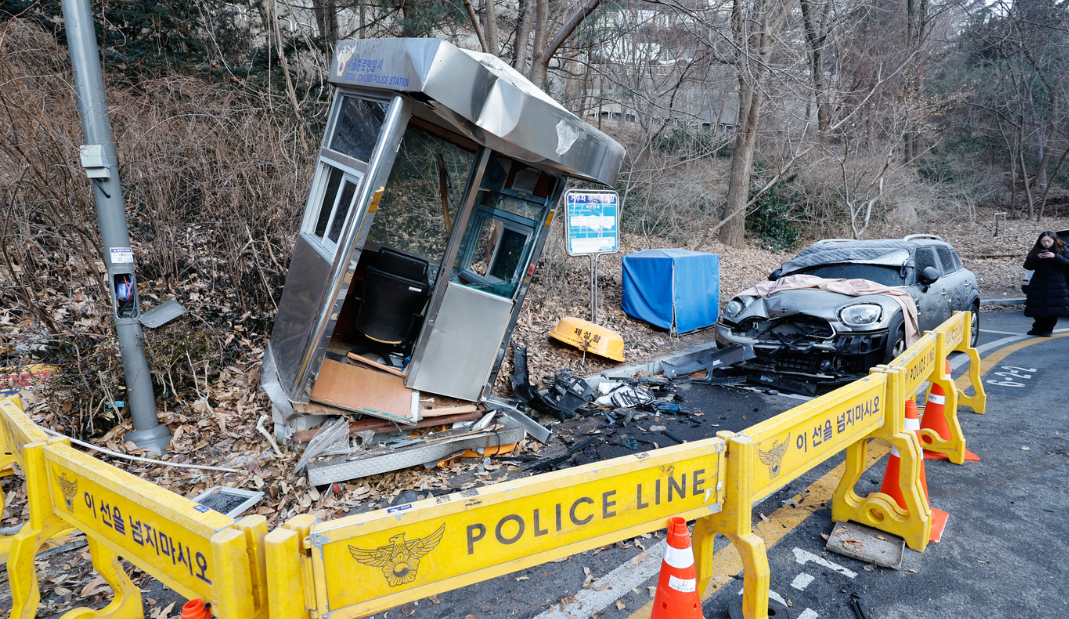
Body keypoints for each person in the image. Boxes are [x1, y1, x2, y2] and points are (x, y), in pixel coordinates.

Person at [1023, 231, 1069, 336]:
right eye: (1043, 241)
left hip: (1056, 284)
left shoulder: (1062, 249)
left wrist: (1055, 256)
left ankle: (1047, 329)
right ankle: (1037, 327)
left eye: (1048, 241)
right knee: (1036, 306)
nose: (1046, 244)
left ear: (1054, 240)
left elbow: (1067, 263)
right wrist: (1037, 258)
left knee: (1053, 308)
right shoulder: (1036, 250)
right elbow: (1027, 265)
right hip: (1038, 283)